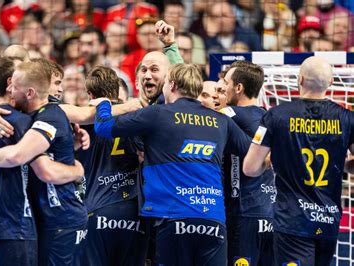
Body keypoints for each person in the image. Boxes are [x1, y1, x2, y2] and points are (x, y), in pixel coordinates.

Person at [94, 63, 251, 265]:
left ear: (172, 85)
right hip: (214, 220)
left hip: (173, 219)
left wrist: (104, 104)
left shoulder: (158, 114)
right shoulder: (221, 121)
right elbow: (254, 151)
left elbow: (103, 127)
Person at [0, 61, 88, 265]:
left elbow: (27, 160)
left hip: (61, 218)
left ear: (29, 93)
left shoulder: (50, 115)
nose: (10, 89)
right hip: (44, 218)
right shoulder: (28, 116)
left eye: (14, 86)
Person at [243, 56, 354, 265]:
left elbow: (250, 168)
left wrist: (273, 161)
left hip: (292, 219)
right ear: (331, 83)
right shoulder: (348, 118)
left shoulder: (276, 116)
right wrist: (346, 165)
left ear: (300, 80)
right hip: (329, 219)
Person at [78, 66, 145, 265]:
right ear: (117, 90)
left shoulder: (83, 120)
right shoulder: (139, 117)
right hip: (136, 212)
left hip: (97, 209)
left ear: (90, 94)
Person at [219, 61, 275, 265]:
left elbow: (204, 115)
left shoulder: (229, 114)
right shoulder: (270, 117)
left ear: (238, 88)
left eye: (225, 83)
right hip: (272, 215)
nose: (221, 88)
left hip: (244, 214)